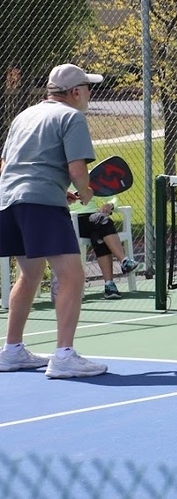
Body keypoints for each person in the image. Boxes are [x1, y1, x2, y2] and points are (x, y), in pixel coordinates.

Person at [0, 63, 110, 378]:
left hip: (8, 201)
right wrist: (85, 192)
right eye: (87, 88)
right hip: (40, 205)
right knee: (72, 275)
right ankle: (63, 356)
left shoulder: (24, 116)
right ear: (75, 92)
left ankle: (12, 351)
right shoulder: (72, 116)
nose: (89, 93)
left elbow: (8, 165)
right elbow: (78, 172)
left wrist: (57, 192)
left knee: (29, 275)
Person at [71, 198, 138, 299]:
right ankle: (124, 261)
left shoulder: (90, 181)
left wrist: (109, 204)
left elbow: (110, 194)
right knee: (103, 220)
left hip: (93, 219)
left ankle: (109, 286)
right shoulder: (63, 182)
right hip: (72, 219)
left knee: (98, 237)